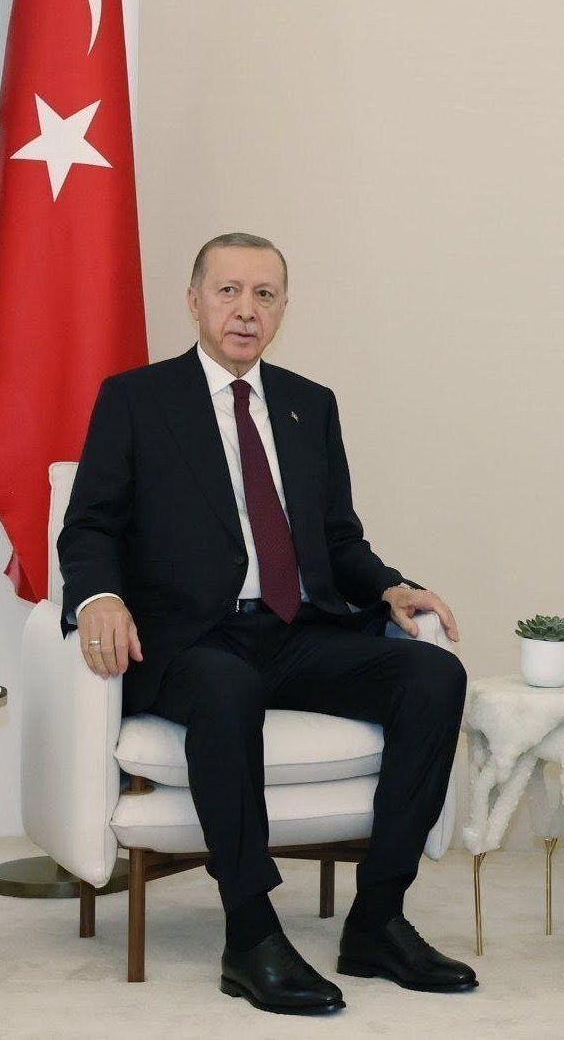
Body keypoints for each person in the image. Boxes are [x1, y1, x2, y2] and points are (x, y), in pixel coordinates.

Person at [59, 232, 476, 1016]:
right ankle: (250, 933)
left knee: (433, 674)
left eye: (264, 294)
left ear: (283, 309)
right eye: (229, 291)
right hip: (190, 640)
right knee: (227, 686)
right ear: (194, 301)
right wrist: (99, 597)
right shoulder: (136, 399)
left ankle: (378, 917)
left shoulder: (309, 404)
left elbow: (339, 538)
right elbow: (88, 527)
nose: (245, 310)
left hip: (296, 628)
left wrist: (390, 587)